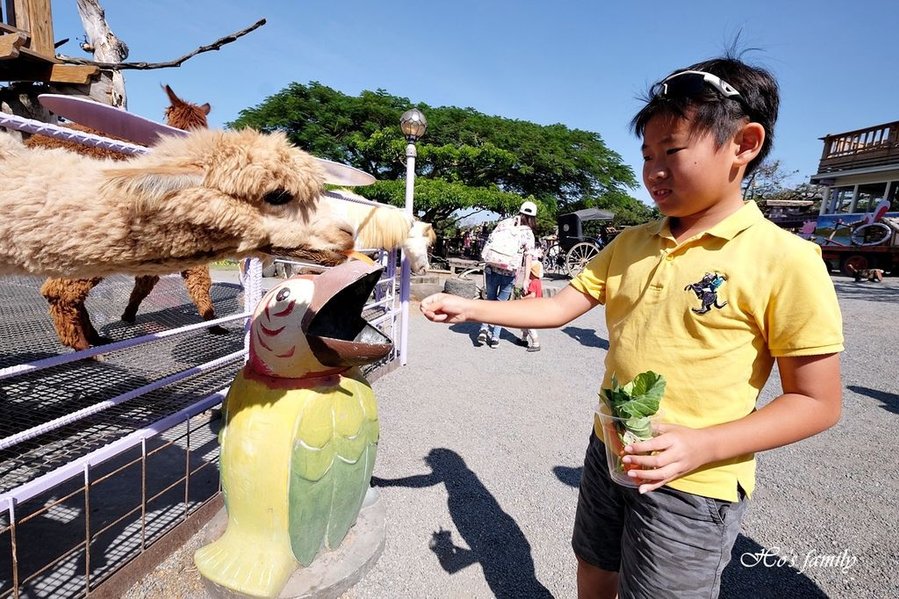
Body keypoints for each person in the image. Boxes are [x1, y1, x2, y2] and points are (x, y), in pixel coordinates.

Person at [420, 56, 843, 598]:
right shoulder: (630, 242)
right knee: (595, 566)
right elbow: (556, 308)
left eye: (672, 151)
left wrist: (703, 445)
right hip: (610, 446)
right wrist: (473, 308)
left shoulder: (786, 259)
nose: (654, 171)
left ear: (744, 144)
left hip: (694, 480)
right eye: (647, 155)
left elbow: (817, 402)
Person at [476, 201, 537, 348]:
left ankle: (484, 328)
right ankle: (495, 337)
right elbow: (528, 257)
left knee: (490, 299)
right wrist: (526, 279)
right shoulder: (528, 233)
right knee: (501, 305)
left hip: (492, 267)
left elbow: (490, 241)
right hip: (509, 271)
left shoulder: (504, 223)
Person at [518, 260, 544, 352]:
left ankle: (536, 343)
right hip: (536, 306)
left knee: (530, 326)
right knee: (525, 323)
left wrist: (523, 298)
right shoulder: (538, 282)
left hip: (531, 307)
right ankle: (523, 339)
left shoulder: (533, 282)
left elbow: (532, 295)